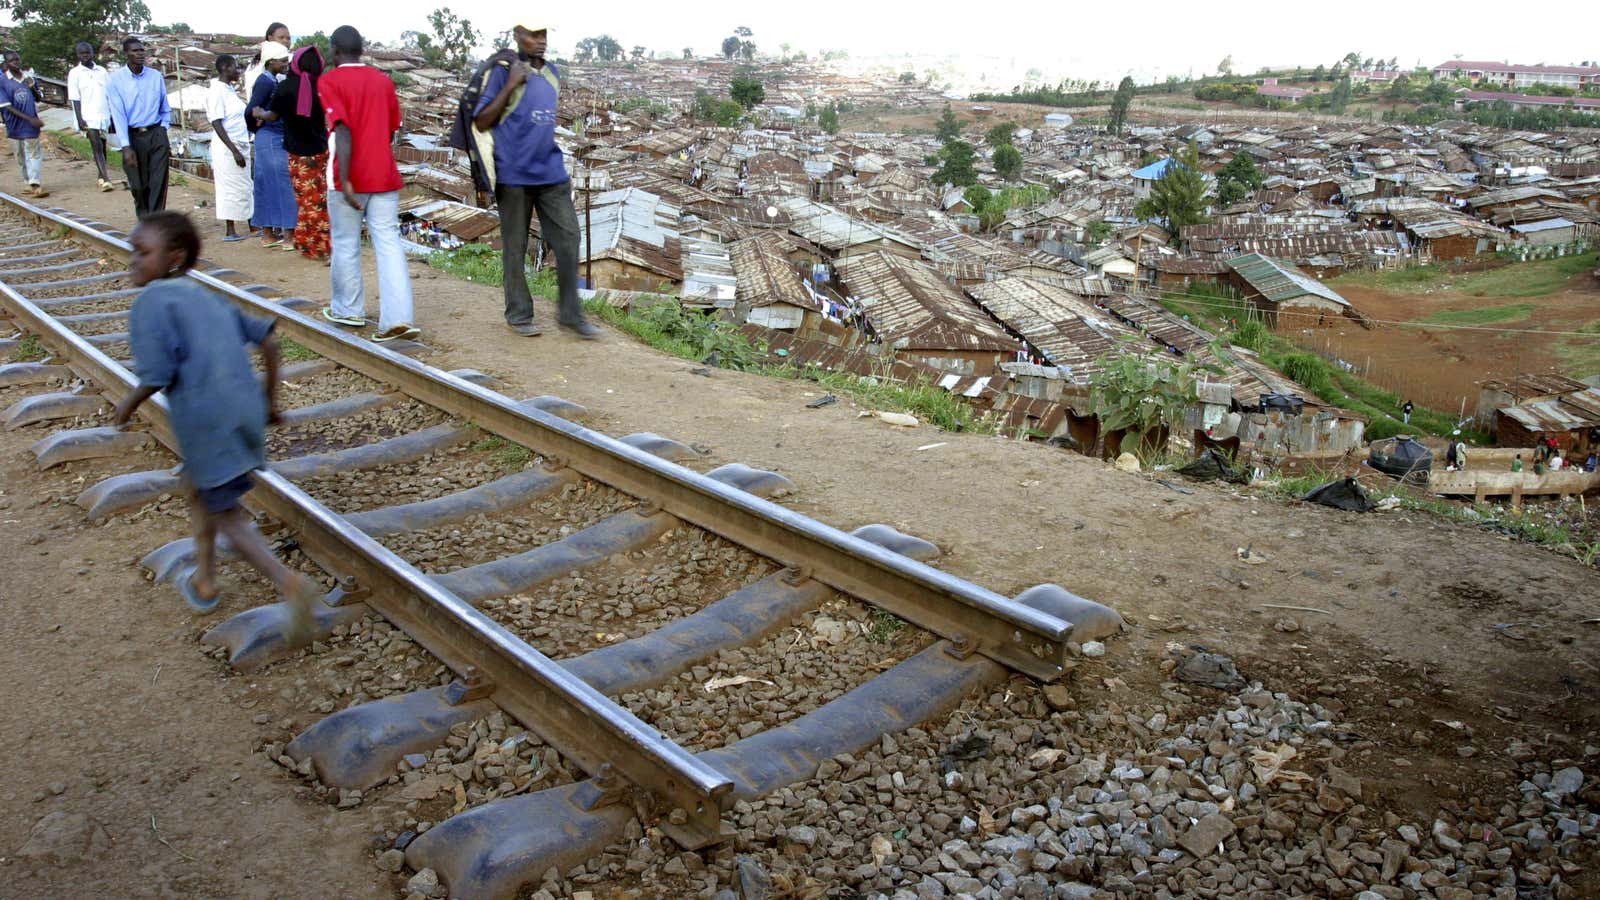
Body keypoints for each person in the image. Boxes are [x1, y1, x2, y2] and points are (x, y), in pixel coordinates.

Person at [111, 211, 318, 638]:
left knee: (226, 512)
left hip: (207, 421)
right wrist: (270, 403)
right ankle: (205, 580)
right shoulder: (203, 294)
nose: (132, 260)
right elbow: (269, 342)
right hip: (241, 412)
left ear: (175, 258)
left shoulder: (150, 303)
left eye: (142, 253)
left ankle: (290, 585)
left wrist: (126, 408)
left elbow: (156, 375)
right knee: (200, 489)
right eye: (133, 251)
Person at [473, 22, 600, 339]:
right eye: (531, 35)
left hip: (550, 171)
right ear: (517, 36)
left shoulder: (553, 74)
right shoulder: (502, 72)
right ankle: (519, 314)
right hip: (513, 174)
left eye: (543, 34)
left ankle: (570, 314)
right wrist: (511, 85)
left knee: (569, 239)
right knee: (515, 248)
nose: (539, 41)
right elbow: (481, 119)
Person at [318, 25, 418, 342]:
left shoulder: (329, 80)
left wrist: (346, 179)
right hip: (383, 173)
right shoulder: (383, 81)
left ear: (334, 50)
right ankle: (398, 319)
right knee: (388, 243)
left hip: (347, 177)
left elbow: (342, 129)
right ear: (361, 50)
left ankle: (349, 310)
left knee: (347, 243)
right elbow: (390, 130)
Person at [273, 46, 329, 262]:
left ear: (295, 63)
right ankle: (319, 244)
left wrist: (259, 113)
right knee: (318, 201)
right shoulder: (322, 88)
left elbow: (273, 114)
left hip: (296, 154)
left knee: (303, 200)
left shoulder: (285, 88)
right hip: (319, 152)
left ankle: (311, 244)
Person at [105, 37, 171, 216]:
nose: (140, 54)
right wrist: (125, 146)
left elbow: (165, 107)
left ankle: (155, 226)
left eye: (142, 50)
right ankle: (144, 220)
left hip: (156, 133)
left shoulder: (155, 76)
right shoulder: (115, 80)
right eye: (135, 50)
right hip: (132, 137)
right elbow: (118, 115)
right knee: (138, 186)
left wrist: (163, 129)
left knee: (158, 183)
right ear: (126, 53)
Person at [247, 42, 296, 248]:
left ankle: (268, 234)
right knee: (283, 186)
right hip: (271, 137)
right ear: (272, 62)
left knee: (266, 186)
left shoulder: (268, 79)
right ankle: (288, 237)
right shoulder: (266, 82)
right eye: (283, 61)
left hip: (266, 137)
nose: (286, 64)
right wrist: (257, 124)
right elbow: (251, 109)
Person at [205, 55, 252, 242]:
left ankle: (251, 223)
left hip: (240, 143)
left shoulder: (229, 90)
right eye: (235, 67)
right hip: (228, 147)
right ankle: (230, 229)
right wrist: (234, 150)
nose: (238, 71)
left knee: (244, 186)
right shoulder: (216, 91)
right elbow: (216, 122)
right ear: (225, 68)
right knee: (229, 188)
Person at [67, 41, 115, 192]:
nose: (85, 56)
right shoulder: (75, 73)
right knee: (96, 146)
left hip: (104, 114)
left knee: (103, 145)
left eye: (87, 53)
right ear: (78, 55)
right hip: (88, 115)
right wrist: (80, 118)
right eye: (82, 53)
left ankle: (101, 175)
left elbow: (110, 94)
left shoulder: (101, 71)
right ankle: (106, 178)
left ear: (92, 53)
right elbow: (75, 98)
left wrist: (113, 115)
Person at [0, 50, 46, 197]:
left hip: (31, 125)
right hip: (14, 124)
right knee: (20, 155)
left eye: (17, 60)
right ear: (6, 64)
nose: (16, 63)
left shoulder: (28, 78)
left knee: (34, 152)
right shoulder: (2, 82)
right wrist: (29, 118)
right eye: (12, 61)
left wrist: (32, 87)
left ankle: (35, 181)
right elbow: (7, 106)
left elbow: (39, 98)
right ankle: (28, 180)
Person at [242, 22, 291, 101]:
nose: (286, 41)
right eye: (281, 37)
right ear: (270, 38)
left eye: (288, 38)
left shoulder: (288, 61)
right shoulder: (256, 67)